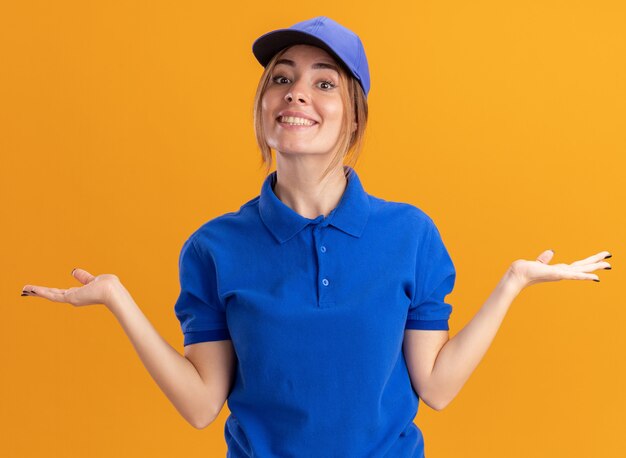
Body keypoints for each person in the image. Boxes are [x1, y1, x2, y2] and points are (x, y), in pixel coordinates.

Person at [20, 16, 612, 458]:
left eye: (324, 83)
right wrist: (117, 298)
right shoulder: (213, 248)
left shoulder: (411, 235)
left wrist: (512, 283)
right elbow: (202, 406)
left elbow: (436, 387)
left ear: (354, 115)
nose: (297, 92)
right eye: (281, 79)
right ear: (263, 109)